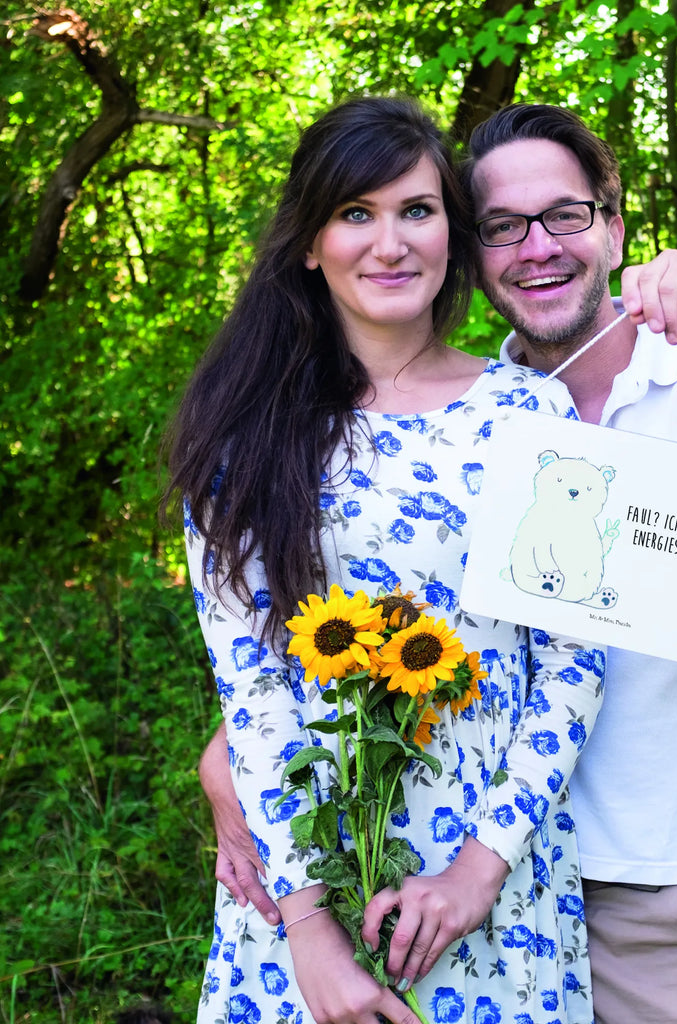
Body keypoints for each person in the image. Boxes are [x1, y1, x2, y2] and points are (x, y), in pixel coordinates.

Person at [202, 102, 677, 1024]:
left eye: (565, 215)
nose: (536, 247)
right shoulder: (458, 418)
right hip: (420, 876)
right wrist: (236, 771)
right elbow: (325, 635)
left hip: (653, 888)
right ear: (474, 251)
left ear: (612, 225)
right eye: (502, 227)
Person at [165, 97, 609, 1024]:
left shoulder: (533, 415)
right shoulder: (243, 438)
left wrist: (478, 872)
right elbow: (252, 693)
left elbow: (574, 662)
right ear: (309, 244)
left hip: (492, 888)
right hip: (303, 887)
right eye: (355, 214)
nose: (390, 242)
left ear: (452, 229)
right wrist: (312, 937)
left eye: (416, 210)